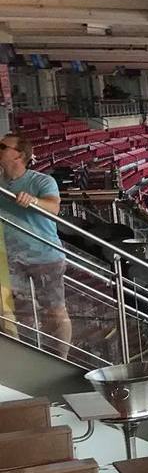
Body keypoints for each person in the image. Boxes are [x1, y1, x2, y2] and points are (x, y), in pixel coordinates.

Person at [0, 133, 71, 357]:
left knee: (55, 310)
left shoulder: (41, 181)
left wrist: (33, 201)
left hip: (45, 256)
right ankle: (26, 359)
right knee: (14, 312)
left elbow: (54, 207)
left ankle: (61, 359)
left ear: (19, 155)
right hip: (9, 258)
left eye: (3, 146)